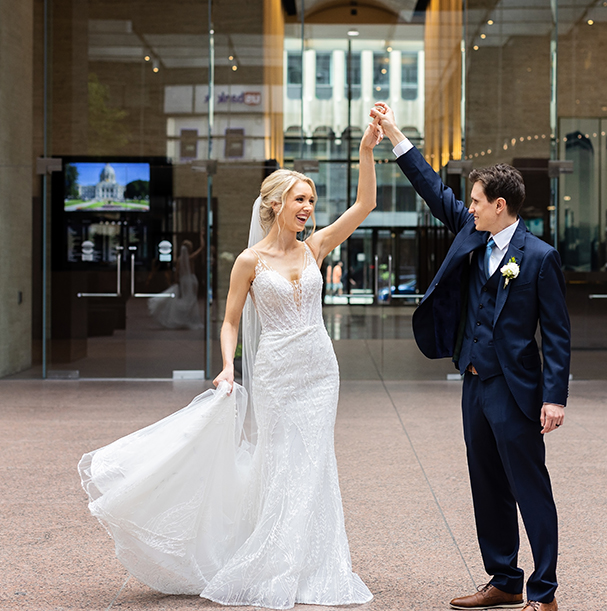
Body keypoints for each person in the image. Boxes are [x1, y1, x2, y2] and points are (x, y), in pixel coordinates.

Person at [78, 120, 384, 610]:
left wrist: (368, 149)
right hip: (276, 372)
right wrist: (227, 366)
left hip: (320, 371)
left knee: (315, 462)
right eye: (299, 199)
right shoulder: (249, 260)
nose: (308, 208)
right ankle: (276, 562)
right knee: (284, 463)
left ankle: (311, 564)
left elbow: (365, 205)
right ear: (274, 205)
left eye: (310, 199)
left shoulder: (317, 247)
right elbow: (229, 322)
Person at [370, 102, 572, 611]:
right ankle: (505, 579)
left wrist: (556, 398)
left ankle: (543, 594)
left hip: (516, 388)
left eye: (479, 201)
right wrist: (394, 133)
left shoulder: (541, 257)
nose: (471, 206)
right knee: (486, 484)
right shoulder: (470, 230)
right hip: (475, 384)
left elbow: (558, 334)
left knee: (530, 488)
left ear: (500, 205)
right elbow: (432, 188)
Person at [148, 231, 205, 329]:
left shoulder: (179, 259)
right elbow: (202, 248)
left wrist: (175, 280)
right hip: (191, 279)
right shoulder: (191, 258)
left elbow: (177, 272)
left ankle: (182, 318)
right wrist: (201, 236)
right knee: (190, 299)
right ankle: (186, 318)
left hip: (183, 280)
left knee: (184, 298)